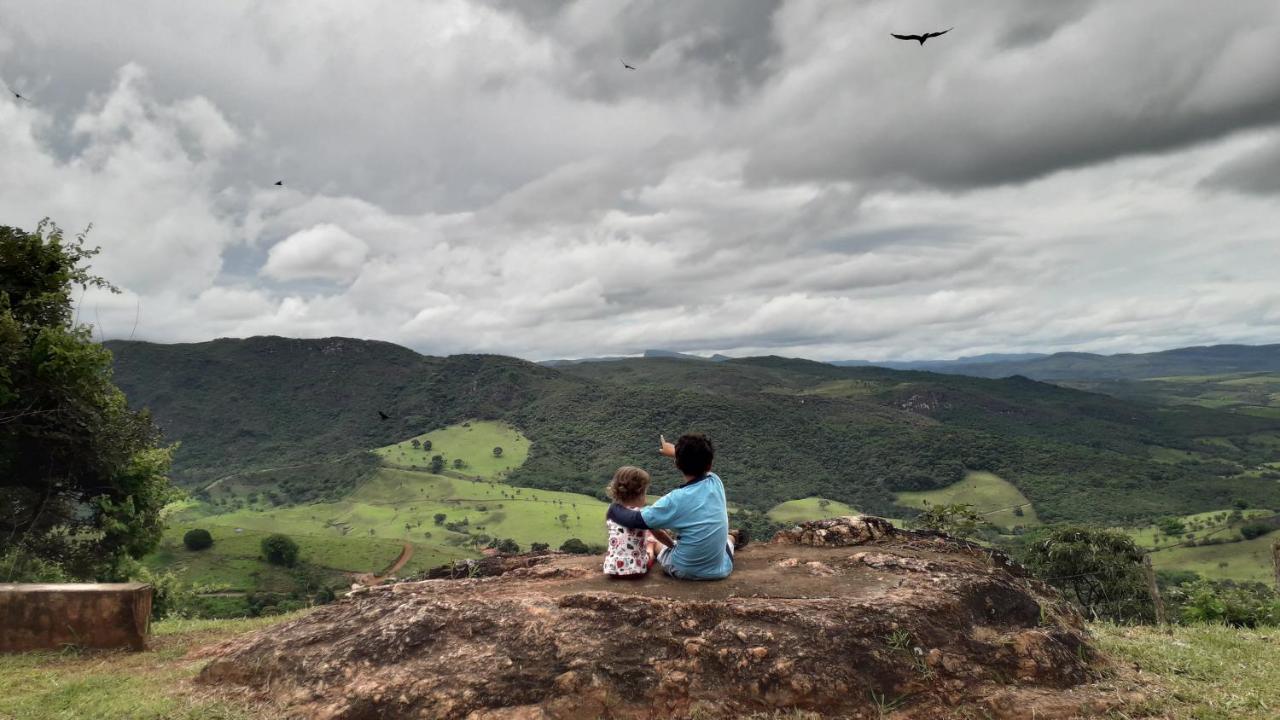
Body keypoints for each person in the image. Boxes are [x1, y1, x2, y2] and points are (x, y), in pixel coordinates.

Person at [606, 432, 747, 580]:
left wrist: (614, 509)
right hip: (720, 570)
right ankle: (731, 537)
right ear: (710, 465)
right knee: (725, 542)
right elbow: (701, 464)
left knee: (658, 545)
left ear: (677, 464)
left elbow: (636, 520)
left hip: (684, 569)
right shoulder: (716, 481)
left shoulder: (675, 499)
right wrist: (676, 453)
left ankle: (730, 537)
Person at [601, 466, 673, 577]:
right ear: (640, 493)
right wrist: (672, 546)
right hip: (637, 569)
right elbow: (660, 535)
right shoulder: (642, 515)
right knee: (651, 542)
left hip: (612, 568)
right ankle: (650, 548)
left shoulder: (612, 510)